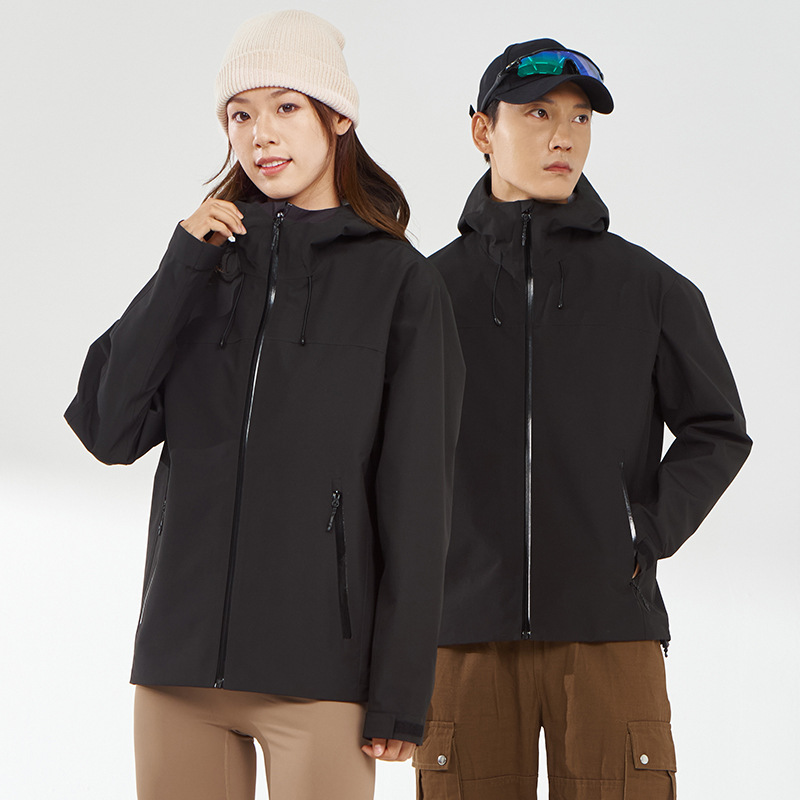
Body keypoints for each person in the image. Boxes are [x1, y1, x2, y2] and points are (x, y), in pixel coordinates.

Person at [64, 10, 464, 800]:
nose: (261, 135)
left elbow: (420, 501)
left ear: (337, 117)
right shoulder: (203, 268)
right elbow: (108, 428)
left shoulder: (402, 284)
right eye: (240, 115)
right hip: (180, 668)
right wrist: (180, 267)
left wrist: (400, 690)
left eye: (285, 106)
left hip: (319, 677)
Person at [412, 39, 751, 799]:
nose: (563, 136)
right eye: (538, 114)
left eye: (579, 119)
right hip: (462, 633)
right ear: (482, 130)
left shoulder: (650, 288)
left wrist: (643, 531)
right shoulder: (425, 294)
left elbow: (718, 429)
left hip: (610, 628)